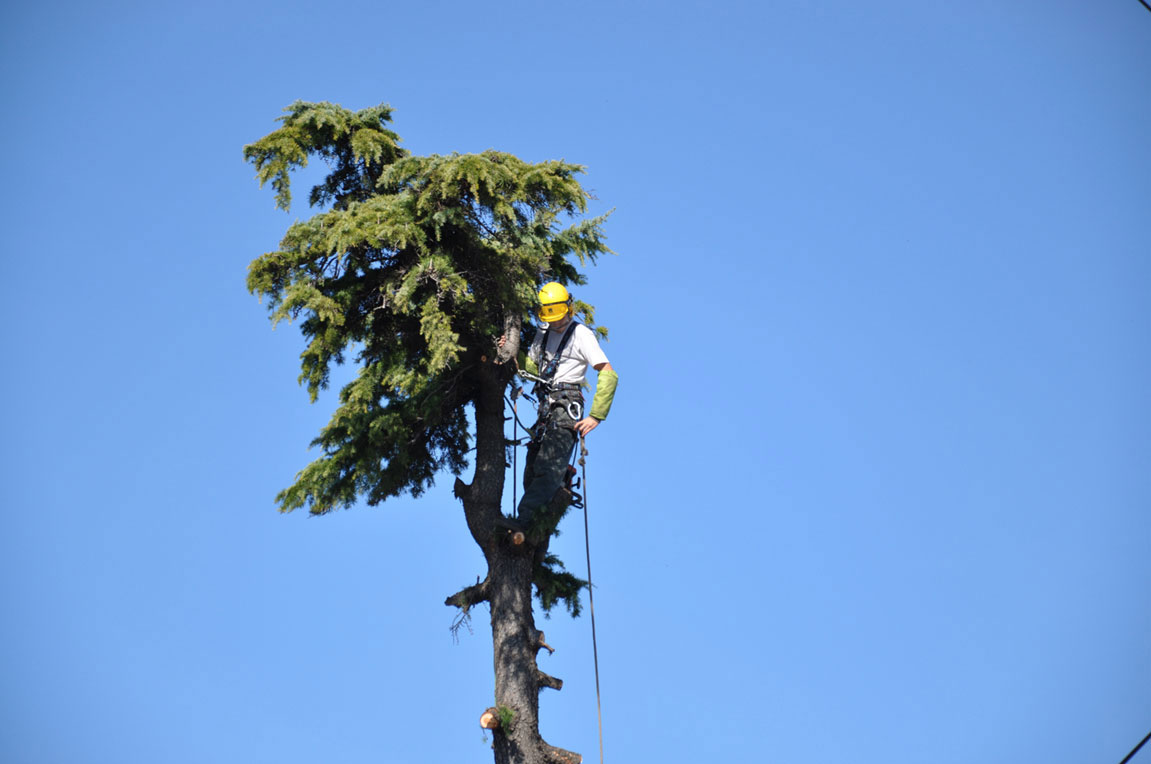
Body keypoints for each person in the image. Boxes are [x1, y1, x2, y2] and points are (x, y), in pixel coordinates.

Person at [502, 282, 617, 525]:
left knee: (547, 468)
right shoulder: (543, 332)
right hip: (546, 410)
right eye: (552, 318)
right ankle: (533, 530)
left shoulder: (580, 334)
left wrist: (596, 415)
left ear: (568, 309)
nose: (557, 323)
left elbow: (607, 372)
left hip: (566, 407)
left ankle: (523, 523)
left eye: (560, 318)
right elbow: (531, 369)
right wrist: (510, 351)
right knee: (531, 470)